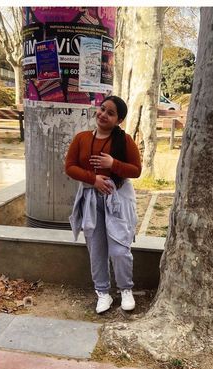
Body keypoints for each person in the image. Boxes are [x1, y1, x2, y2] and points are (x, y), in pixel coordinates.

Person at [65, 95, 141, 314]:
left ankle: (125, 289)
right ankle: (102, 292)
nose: (103, 115)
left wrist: (113, 164)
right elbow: (70, 167)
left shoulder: (124, 141)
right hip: (90, 199)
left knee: (119, 248)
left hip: (117, 200)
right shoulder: (81, 138)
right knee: (96, 249)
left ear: (119, 120)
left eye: (110, 113)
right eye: (102, 109)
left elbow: (136, 170)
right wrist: (94, 179)